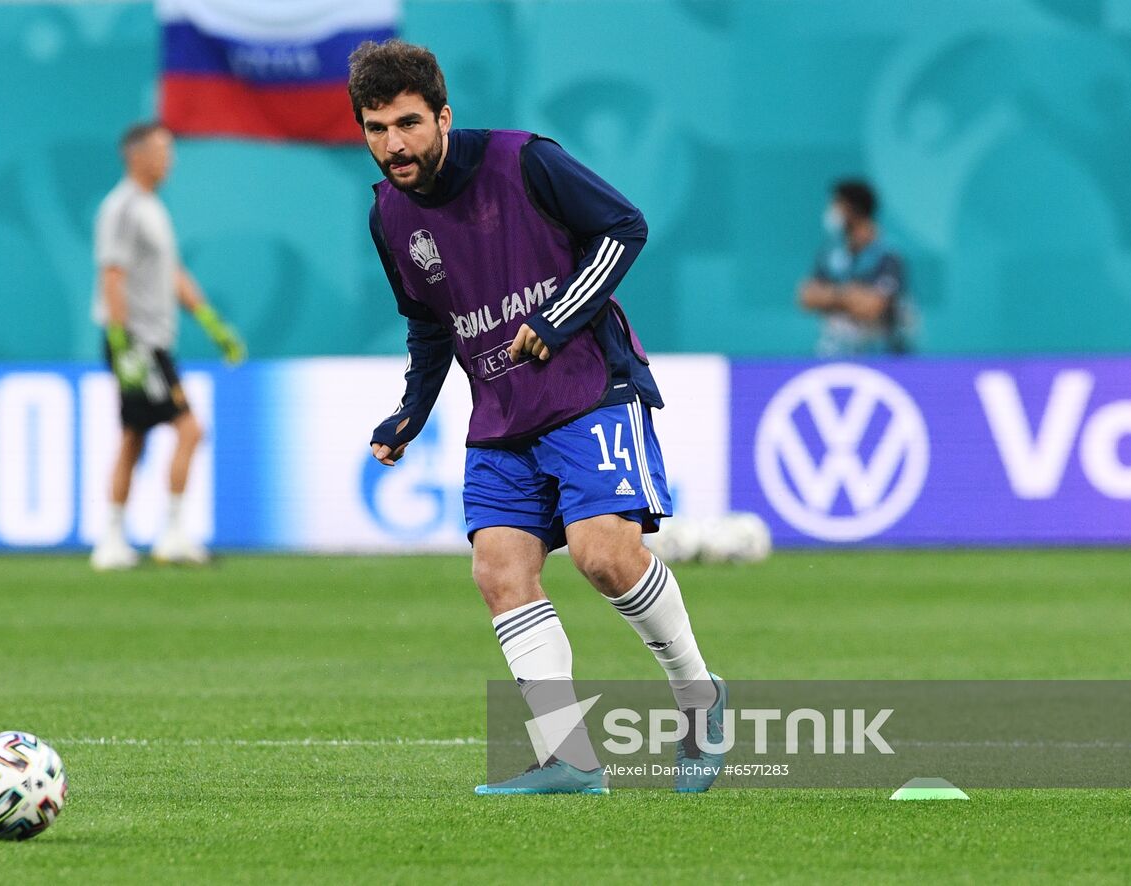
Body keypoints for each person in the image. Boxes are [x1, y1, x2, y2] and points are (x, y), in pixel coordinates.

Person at [349, 40, 725, 795]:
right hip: (500, 413)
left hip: (588, 390)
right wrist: (410, 412)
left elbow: (624, 226)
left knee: (604, 557)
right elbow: (431, 325)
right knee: (499, 571)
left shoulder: (524, 161)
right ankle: (571, 758)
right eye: (377, 127)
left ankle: (699, 697)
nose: (395, 144)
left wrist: (557, 320)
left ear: (444, 116)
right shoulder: (388, 215)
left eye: (410, 124)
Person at [89, 121, 246, 571]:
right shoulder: (121, 208)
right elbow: (111, 275)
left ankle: (113, 539)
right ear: (137, 156)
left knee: (133, 437)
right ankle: (172, 533)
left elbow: (171, 272)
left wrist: (212, 323)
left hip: (153, 340)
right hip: (139, 341)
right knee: (189, 429)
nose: (169, 159)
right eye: (162, 150)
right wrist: (123, 344)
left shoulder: (151, 207)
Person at [798, 179, 913, 356]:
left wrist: (829, 296)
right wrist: (848, 295)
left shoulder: (888, 254)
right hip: (835, 352)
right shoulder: (830, 251)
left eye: (836, 204)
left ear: (853, 209)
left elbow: (873, 307)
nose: (831, 211)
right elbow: (806, 297)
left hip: (881, 356)